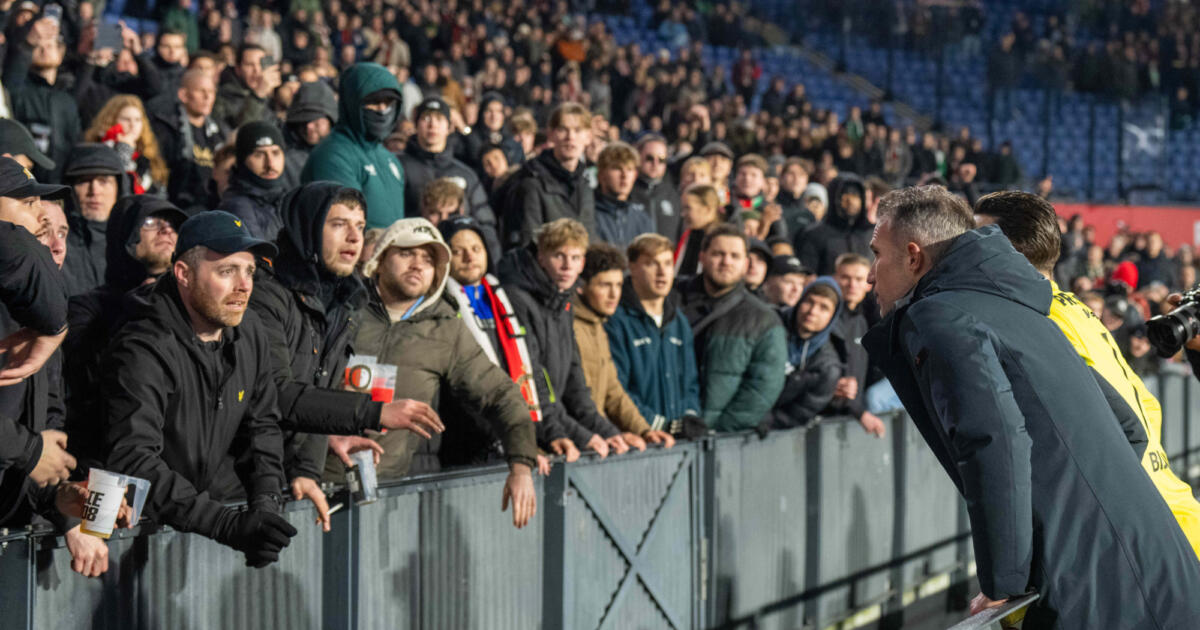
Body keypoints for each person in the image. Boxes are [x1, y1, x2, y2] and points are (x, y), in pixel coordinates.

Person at [861, 186, 1200, 626]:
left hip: (1097, 598)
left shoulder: (940, 313)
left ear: (913, 256)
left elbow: (993, 441)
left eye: (876, 254)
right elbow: (1128, 427)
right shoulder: (1033, 309)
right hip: (1167, 562)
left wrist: (1005, 584)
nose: (870, 275)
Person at [975, 190, 1200, 559]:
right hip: (1178, 518)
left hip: (1149, 542)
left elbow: (1122, 434)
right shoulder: (1074, 308)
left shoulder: (1037, 321)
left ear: (1007, 252)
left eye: (977, 239)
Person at [103, 211, 299, 568]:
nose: (244, 285)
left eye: (250, 271)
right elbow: (132, 458)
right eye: (227, 271)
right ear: (183, 274)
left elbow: (262, 426)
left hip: (195, 525)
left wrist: (265, 507)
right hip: (125, 535)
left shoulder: (248, 329)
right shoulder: (144, 345)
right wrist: (225, 524)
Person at [249, 182, 445, 529]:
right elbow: (277, 394)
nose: (354, 238)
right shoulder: (266, 293)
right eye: (338, 224)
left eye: (360, 225)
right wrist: (374, 411)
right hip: (237, 478)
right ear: (307, 227)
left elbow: (315, 386)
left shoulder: (344, 302)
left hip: (275, 480)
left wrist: (306, 469)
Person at [350, 218, 538, 526]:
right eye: (407, 253)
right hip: (312, 481)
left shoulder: (446, 328)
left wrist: (520, 466)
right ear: (380, 259)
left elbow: (502, 394)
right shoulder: (341, 309)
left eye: (428, 259)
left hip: (388, 494)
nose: (418, 264)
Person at [64, 197, 189, 470]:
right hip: (106, 461)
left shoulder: (192, 305)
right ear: (125, 234)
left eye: (172, 225)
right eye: (150, 222)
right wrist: (138, 307)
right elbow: (89, 375)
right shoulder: (86, 308)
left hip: (180, 465)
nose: (166, 230)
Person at [439, 216, 569, 467]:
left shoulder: (506, 300)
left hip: (514, 441)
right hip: (470, 451)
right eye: (458, 251)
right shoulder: (441, 307)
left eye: (476, 249)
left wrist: (552, 432)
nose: (469, 257)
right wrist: (512, 443)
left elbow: (534, 370)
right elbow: (460, 390)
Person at [497, 218, 628, 457]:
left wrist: (606, 430)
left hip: (553, 427)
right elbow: (532, 377)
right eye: (559, 256)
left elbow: (575, 381)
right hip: (531, 432)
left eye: (575, 258)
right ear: (541, 258)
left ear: (582, 263)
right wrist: (570, 434)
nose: (568, 265)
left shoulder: (564, 301)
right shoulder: (517, 299)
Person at [677, 224, 786, 432]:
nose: (726, 262)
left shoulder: (763, 320)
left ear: (745, 264)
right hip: (666, 432)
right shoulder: (672, 300)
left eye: (734, 256)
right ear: (702, 257)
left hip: (720, 439)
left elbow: (762, 388)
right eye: (718, 254)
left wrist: (712, 428)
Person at [573, 244, 675, 451]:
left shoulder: (598, 325)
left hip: (597, 440)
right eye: (604, 285)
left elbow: (613, 390)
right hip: (580, 444)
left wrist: (644, 430)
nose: (614, 294)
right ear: (581, 286)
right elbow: (574, 399)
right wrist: (609, 433)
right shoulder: (571, 326)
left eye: (618, 285)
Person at [604, 233, 699, 437]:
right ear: (632, 268)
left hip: (676, 441)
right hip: (636, 438)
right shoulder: (617, 320)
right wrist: (656, 425)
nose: (662, 272)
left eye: (667, 263)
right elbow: (616, 387)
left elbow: (690, 381)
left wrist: (688, 419)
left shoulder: (678, 320)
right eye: (651, 264)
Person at [302, 62, 408, 230]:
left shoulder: (390, 159)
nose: (381, 110)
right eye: (373, 102)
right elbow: (344, 229)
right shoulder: (333, 156)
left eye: (388, 103)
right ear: (352, 103)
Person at [397, 97, 501, 257]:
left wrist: (491, 265)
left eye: (439, 119)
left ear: (449, 127)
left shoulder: (465, 174)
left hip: (458, 259)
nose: (432, 125)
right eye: (426, 118)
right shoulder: (398, 166)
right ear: (416, 125)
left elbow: (485, 225)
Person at [496, 103, 596, 249]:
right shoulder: (531, 180)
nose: (570, 137)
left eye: (578, 130)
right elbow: (529, 241)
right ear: (551, 134)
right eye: (563, 129)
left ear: (588, 137)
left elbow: (590, 237)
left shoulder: (585, 184)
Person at [5, 16, 81, 183]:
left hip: (58, 184)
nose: (44, 50)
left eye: (49, 45)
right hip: (21, 180)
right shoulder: (19, 90)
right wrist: (28, 44)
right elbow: (13, 78)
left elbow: (74, 144)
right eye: (38, 47)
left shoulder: (67, 100)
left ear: (61, 53)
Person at [760, 278, 842, 432]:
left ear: (833, 317)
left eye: (823, 307)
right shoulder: (768, 321)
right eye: (809, 301)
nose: (812, 311)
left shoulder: (827, 366)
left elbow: (799, 413)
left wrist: (764, 419)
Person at [150, 68, 228, 215]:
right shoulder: (166, 129)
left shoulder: (221, 131)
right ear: (184, 95)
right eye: (201, 91)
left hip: (214, 207)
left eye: (211, 92)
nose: (207, 97)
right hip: (177, 207)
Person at [61, 144, 130, 297]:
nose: (94, 191)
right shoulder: (55, 246)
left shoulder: (135, 244)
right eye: (84, 181)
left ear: (119, 187)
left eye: (104, 181)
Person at [830, 254, 886, 437]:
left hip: (851, 417)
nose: (852, 284)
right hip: (829, 414)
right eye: (845, 277)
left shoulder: (862, 321)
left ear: (868, 284)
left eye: (858, 279)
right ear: (835, 279)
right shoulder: (826, 318)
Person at [83, 94, 170, 195]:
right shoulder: (97, 150)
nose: (133, 125)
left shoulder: (148, 154)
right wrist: (124, 149)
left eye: (137, 120)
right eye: (126, 119)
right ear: (111, 121)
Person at [218, 121, 287, 240]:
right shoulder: (236, 207)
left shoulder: (287, 199)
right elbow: (260, 255)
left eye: (275, 153)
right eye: (259, 155)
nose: (270, 164)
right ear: (242, 160)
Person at [796, 174, 873, 276]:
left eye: (856, 196)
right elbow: (808, 276)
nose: (851, 202)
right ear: (833, 199)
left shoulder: (872, 233)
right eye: (844, 196)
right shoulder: (814, 234)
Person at [593, 142, 654, 248]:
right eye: (617, 168)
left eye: (629, 169)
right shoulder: (587, 213)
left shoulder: (643, 220)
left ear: (635, 175)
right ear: (601, 174)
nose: (624, 175)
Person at [280, 81, 338, 191]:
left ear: (331, 121)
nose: (309, 127)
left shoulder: (344, 154)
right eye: (302, 121)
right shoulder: (284, 160)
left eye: (316, 121)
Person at [211, 44, 279, 130]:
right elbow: (241, 133)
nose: (256, 70)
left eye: (260, 64)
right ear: (238, 69)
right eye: (250, 65)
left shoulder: (270, 96)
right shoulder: (223, 97)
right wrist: (258, 96)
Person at [629, 134, 682, 240]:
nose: (655, 163)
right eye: (649, 158)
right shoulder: (626, 191)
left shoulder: (673, 195)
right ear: (638, 157)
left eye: (661, 160)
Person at [456, 91, 524, 172]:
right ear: (481, 113)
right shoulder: (467, 138)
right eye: (489, 111)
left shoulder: (512, 141)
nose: (494, 116)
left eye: (498, 111)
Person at [674, 183, 722, 278]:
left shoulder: (719, 241)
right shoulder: (690, 235)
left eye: (688, 208)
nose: (683, 214)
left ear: (707, 209)